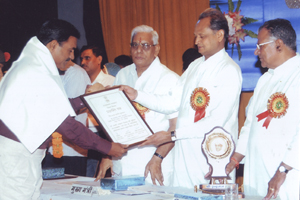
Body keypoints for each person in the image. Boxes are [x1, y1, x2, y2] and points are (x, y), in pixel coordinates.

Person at [0, 19, 127, 200]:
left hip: (18, 156)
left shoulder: (31, 65)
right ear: (53, 45)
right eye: (70, 50)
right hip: (16, 159)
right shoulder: (36, 71)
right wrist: (108, 148)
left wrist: (87, 99)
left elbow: (55, 107)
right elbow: (67, 126)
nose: (72, 56)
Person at [120, 8, 242, 188]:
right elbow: (171, 102)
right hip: (185, 156)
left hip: (211, 157)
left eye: (201, 36)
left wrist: (172, 135)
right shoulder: (195, 65)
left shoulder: (229, 70)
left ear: (219, 35)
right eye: (195, 36)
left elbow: (216, 120)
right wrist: (137, 95)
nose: (196, 41)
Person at [225, 19, 300, 200]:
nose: (256, 51)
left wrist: (283, 170)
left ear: (279, 45)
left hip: (287, 177)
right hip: (257, 173)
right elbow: (250, 125)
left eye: (260, 45)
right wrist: (234, 159)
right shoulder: (264, 80)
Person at [96, 25, 179, 186]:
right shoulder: (122, 74)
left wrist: (157, 158)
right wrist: (107, 155)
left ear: (156, 49)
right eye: (135, 45)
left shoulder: (170, 79)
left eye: (145, 45)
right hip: (122, 163)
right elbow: (113, 119)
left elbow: (175, 127)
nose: (139, 50)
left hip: (153, 164)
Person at [43, 57, 91, 176]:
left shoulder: (76, 73)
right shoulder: (50, 72)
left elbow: (68, 112)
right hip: (51, 149)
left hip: (70, 152)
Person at [80, 45, 116, 177]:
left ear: (99, 59)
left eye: (87, 58)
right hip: (83, 134)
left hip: (103, 134)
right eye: (81, 59)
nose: (83, 62)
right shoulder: (80, 80)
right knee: (86, 177)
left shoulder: (111, 81)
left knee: (101, 176)